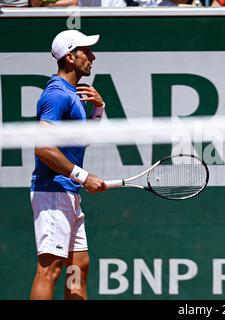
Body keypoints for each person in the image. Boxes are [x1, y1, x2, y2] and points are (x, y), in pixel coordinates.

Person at [30, 29, 108, 300]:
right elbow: (43, 147)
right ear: (70, 57)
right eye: (86, 51)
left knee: (78, 266)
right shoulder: (56, 95)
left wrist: (98, 110)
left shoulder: (73, 95)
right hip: (52, 192)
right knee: (50, 270)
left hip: (67, 193)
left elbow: (82, 141)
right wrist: (83, 176)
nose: (92, 56)